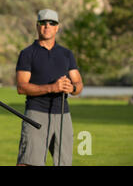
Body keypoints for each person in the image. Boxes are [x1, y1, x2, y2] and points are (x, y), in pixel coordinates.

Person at [15, 9, 83, 166]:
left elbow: (79, 84)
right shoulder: (27, 53)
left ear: (57, 27)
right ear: (37, 26)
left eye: (52, 23)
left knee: (64, 163)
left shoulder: (66, 54)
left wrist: (71, 88)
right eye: (43, 23)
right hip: (35, 112)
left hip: (62, 114)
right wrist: (52, 88)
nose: (47, 26)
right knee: (29, 162)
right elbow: (21, 87)